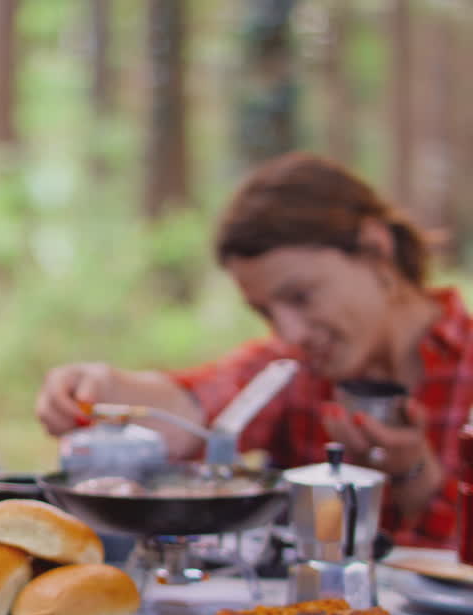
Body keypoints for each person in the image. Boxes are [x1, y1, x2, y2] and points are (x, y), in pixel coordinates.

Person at [36, 151, 470, 550]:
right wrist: (105, 388)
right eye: (265, 311)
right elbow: (196, 406)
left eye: (301, 296)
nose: (289, 332)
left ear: (375, 248)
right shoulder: (290, 370)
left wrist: (413, 475)